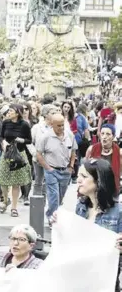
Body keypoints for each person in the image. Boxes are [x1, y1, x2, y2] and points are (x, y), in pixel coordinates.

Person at [52, 159, 122, 291]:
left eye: (84, 177)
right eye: (78, 176)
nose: (78, 180)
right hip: (79, 279)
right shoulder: (81, 207)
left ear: (99, 180)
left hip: (103, 281)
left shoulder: (118, 212)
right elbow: (74, 241)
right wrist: (60, 225)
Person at [36, 114, 77, 226]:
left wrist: (71, 166)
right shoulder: (45, 137)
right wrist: (48, 168)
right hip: (52, 170)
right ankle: (51, 218)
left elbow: (73, 151)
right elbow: (39, 154)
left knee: (60, 197)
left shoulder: (69, 135)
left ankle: (54, 214)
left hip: (65, 170)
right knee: (54, 196)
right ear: (52, 125)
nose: (61, 128)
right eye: (58, 125)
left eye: (62, 125)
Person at [0, 104, 32, 217]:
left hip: (19, 154)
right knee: (2, 179)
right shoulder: (6, 122)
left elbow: (29, 140)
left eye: (11, 111)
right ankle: (5, 200)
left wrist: (21, 140)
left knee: (16, 182)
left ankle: (14, 207)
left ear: (17, 113)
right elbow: (0, 136)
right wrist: (3, 142)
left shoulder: (25, 124)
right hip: (6, 154)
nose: (8, 113)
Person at [85, 124, 121, 196]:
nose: (104, 137)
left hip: (112, 190)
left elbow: (119, 172)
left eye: (108, 134)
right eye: (102, 133)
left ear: (113, 136)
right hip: (95, 190)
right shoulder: (91, 149)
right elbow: (86, 169)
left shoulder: (119, 152)